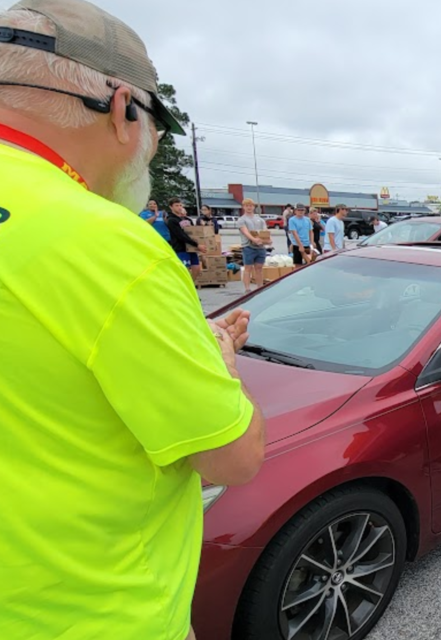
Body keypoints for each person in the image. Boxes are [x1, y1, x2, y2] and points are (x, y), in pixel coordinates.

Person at [0, 2, 265, 639]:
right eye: (155, 128)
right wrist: (218, 363)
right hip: (89, 614)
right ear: (122, 108)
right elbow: (233, 458)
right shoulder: (105, 242)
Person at [165, 197, 202, 283]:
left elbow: (193, 231)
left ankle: (191, 285)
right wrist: (197, 244)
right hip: (181, 248)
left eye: (180, 205)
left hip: (191, 248)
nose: (179, 207)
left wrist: (185, 218)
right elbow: (181, 235)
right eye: (176, 205)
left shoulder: (186, 219)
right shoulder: (171, 220)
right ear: (171, 207)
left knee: (196, 268)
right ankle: (184, 286)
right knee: (185, 270)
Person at [238, 198, 268, 293]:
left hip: (260, 247)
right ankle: (247, 289)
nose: (249, 208)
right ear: (243, 207)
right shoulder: (242, 220)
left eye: (250, 205)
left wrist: (266, 240)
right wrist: (254, 239)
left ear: (254, 207)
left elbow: (265, 232)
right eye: (247, 206)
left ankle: (260, 287)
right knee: (248, 268)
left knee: (259, 268)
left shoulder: (260, 219)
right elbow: (245, 231)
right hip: (248, 246)